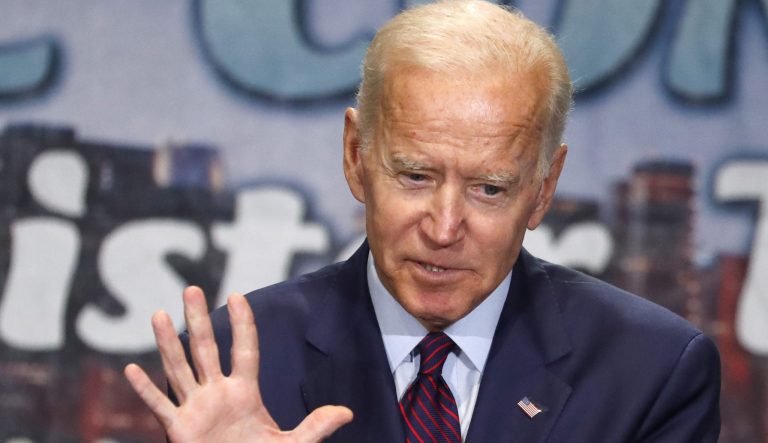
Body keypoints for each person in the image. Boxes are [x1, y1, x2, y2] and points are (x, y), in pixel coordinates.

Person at [124, 1, 721, 441]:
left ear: (543, 189)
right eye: (415, 176)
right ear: (356, 156)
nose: (443, 228)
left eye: (490, 189)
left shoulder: (651, 372)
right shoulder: (232, 367)